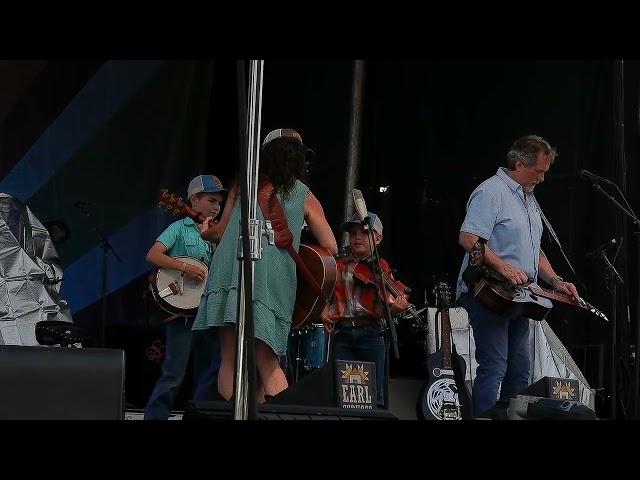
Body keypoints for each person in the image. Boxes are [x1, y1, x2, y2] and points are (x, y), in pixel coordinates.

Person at [193, 128, 337, 402]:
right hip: (273, 280)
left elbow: (219, 232)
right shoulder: (303, 194)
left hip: (231, 272)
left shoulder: (242, 185)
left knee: (230, 359)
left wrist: (205, 230)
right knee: (267, 363)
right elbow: (330, 245)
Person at [455, 134, 580, 417]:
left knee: (519, 372)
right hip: (489, 294)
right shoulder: (491, 191)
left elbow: (534, 251)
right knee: (495, 366)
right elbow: (468, 236)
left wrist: (556, 282)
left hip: (520, 298)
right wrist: (502, 266)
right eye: (539, 171)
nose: (543, 178)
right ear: (520, 163)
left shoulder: (529, 199)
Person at [144, 174, 226, 420]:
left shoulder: (219, 232)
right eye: (211, 200)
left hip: (210, 312)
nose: (217, 206)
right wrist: (185, 268)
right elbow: (154, 255)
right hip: (183, 314)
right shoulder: (178, 228)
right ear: (194, 200)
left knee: (209, 373)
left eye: (220, 202)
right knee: (173, 374)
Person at [322, 212, 409, 408]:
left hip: (371, 333)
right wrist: (326, 310)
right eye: (353, 234)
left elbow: (384, 307)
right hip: (342, 333)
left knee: (374, 393)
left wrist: (394, 309)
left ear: (378, 239)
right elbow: (326, 295)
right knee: (341, 392)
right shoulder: (339, 265)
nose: (357, 238)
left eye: (364, 233)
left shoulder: (381, 267)